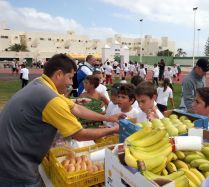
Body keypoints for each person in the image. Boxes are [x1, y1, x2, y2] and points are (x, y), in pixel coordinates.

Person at [0, 54, 125, 186]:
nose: (71, 83)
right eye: (70, 78)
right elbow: (79, 134)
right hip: (16, 165)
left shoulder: (41, 84)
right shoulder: (50, 98)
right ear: (59, 74)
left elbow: (76, 108)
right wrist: (113, 130)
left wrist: (108, 118)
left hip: (9, 156)